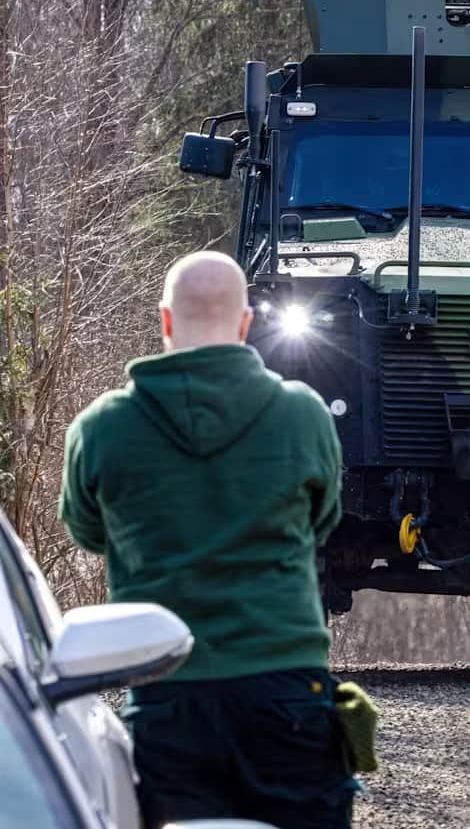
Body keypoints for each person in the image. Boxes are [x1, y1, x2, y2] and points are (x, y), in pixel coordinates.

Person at [58, 250, 356, 829]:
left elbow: (88, 533)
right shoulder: (303, 415)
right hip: (288, 688)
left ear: (165, 321)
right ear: (246, 324)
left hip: (167, 693)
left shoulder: (102, 427)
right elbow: (322, 524)